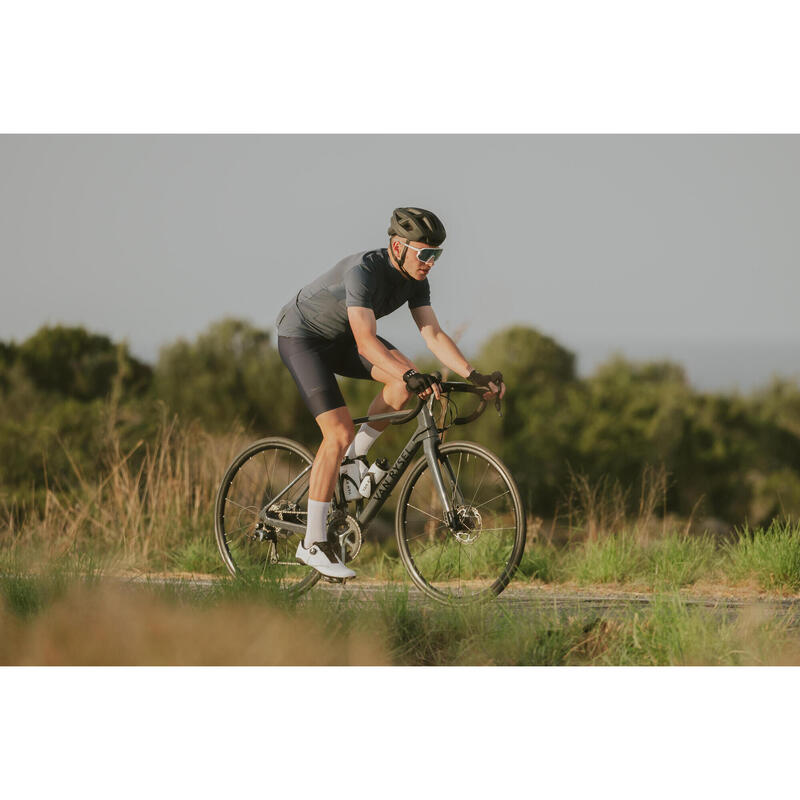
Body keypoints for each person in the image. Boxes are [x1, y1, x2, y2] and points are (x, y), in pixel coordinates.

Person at [275, 207, 505, 580]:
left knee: (402, 385)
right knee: (338, 431)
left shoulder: (416, 280)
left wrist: (473, 374)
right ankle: (312, 543)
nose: (430, 262)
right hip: (303, 338)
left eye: (437, 255)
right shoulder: (363, 271)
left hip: (342, 339)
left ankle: (352, 460)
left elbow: (432, 334)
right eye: (424, 253)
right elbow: (366, 343)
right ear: (398, 246)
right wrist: (410, 372)